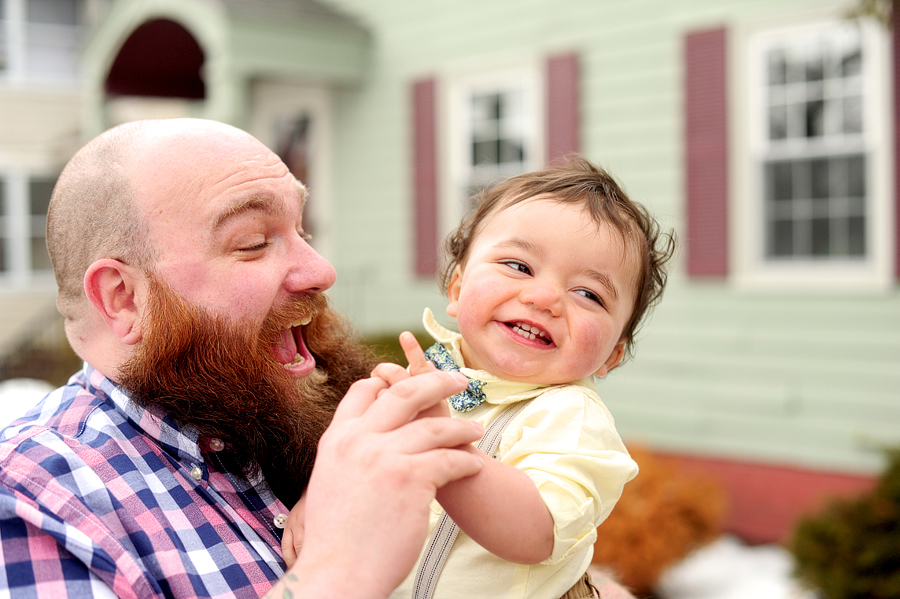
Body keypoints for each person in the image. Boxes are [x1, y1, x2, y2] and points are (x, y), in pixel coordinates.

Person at [0, 118, 488, 599]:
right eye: (253, 243)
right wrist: (338, 569)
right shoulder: (35, 500)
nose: (321, 270)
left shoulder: (305, 429)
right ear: (123, 298)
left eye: (303, 230)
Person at [289, 157, 674, 599]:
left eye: (588, 293)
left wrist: (445, 449)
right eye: (519, 266)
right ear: (456, 290)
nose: (545, 297)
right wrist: (316, 500)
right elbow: (358, 469)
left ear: (614, 354)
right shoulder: (428, 374)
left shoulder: (571, 419)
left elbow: (537, 532)